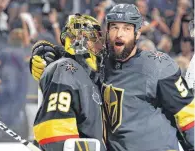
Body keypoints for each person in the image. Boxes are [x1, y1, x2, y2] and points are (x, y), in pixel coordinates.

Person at [29, 4, 194, 151]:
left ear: (137, 34)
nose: (119, 34)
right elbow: (73, 59)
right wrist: (46, 54)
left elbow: (189, 116)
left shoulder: (158, 66)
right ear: (107, 31)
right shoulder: (100, 63)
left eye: (126, 28)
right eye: (114, 27)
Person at [30, 14, 106, 151]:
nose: (98, 44)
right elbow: (54, 130)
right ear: (75, 39)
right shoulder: (66, 70)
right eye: (92, 37)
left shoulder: (93, 76)